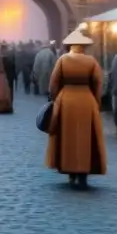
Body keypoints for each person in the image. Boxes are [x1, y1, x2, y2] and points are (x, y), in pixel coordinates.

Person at [46, 29, 107, 189]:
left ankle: (70, 170)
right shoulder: (91, 61)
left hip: (66, 99)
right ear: (83, 47)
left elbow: (53, 83)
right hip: (86, 100)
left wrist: (56, 99)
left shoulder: (63, 60)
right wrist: (96, 102)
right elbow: (98, 83)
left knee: (67, 136)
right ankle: (83, 172)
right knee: (86, 137)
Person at [0, 46, 13, 114]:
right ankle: (5, 107)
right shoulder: (8, 58)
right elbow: (10, 67)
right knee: (4, 92)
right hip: (4, 76)